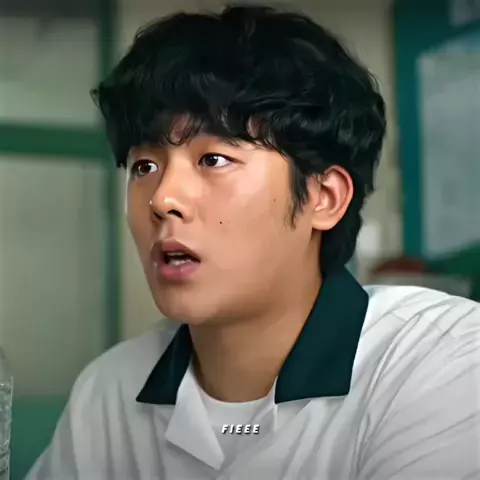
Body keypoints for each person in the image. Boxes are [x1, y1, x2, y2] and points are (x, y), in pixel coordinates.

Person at [27, 4, 480, 480]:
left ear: (324, 198)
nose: (162, 199)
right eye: (145, 166)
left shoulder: (442, 360)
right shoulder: (110, 391)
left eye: (214, 160)